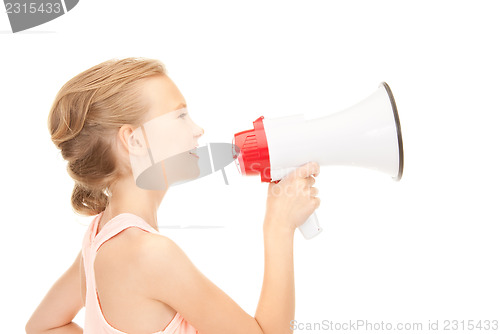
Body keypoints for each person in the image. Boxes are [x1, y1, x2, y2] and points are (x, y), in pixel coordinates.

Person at [25, 57, 320, 334]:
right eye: (181, 115)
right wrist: (279, 227)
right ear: (135, 140)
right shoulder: (151, 254)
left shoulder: (98, 237)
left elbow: (43, 326)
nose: (198, 130)